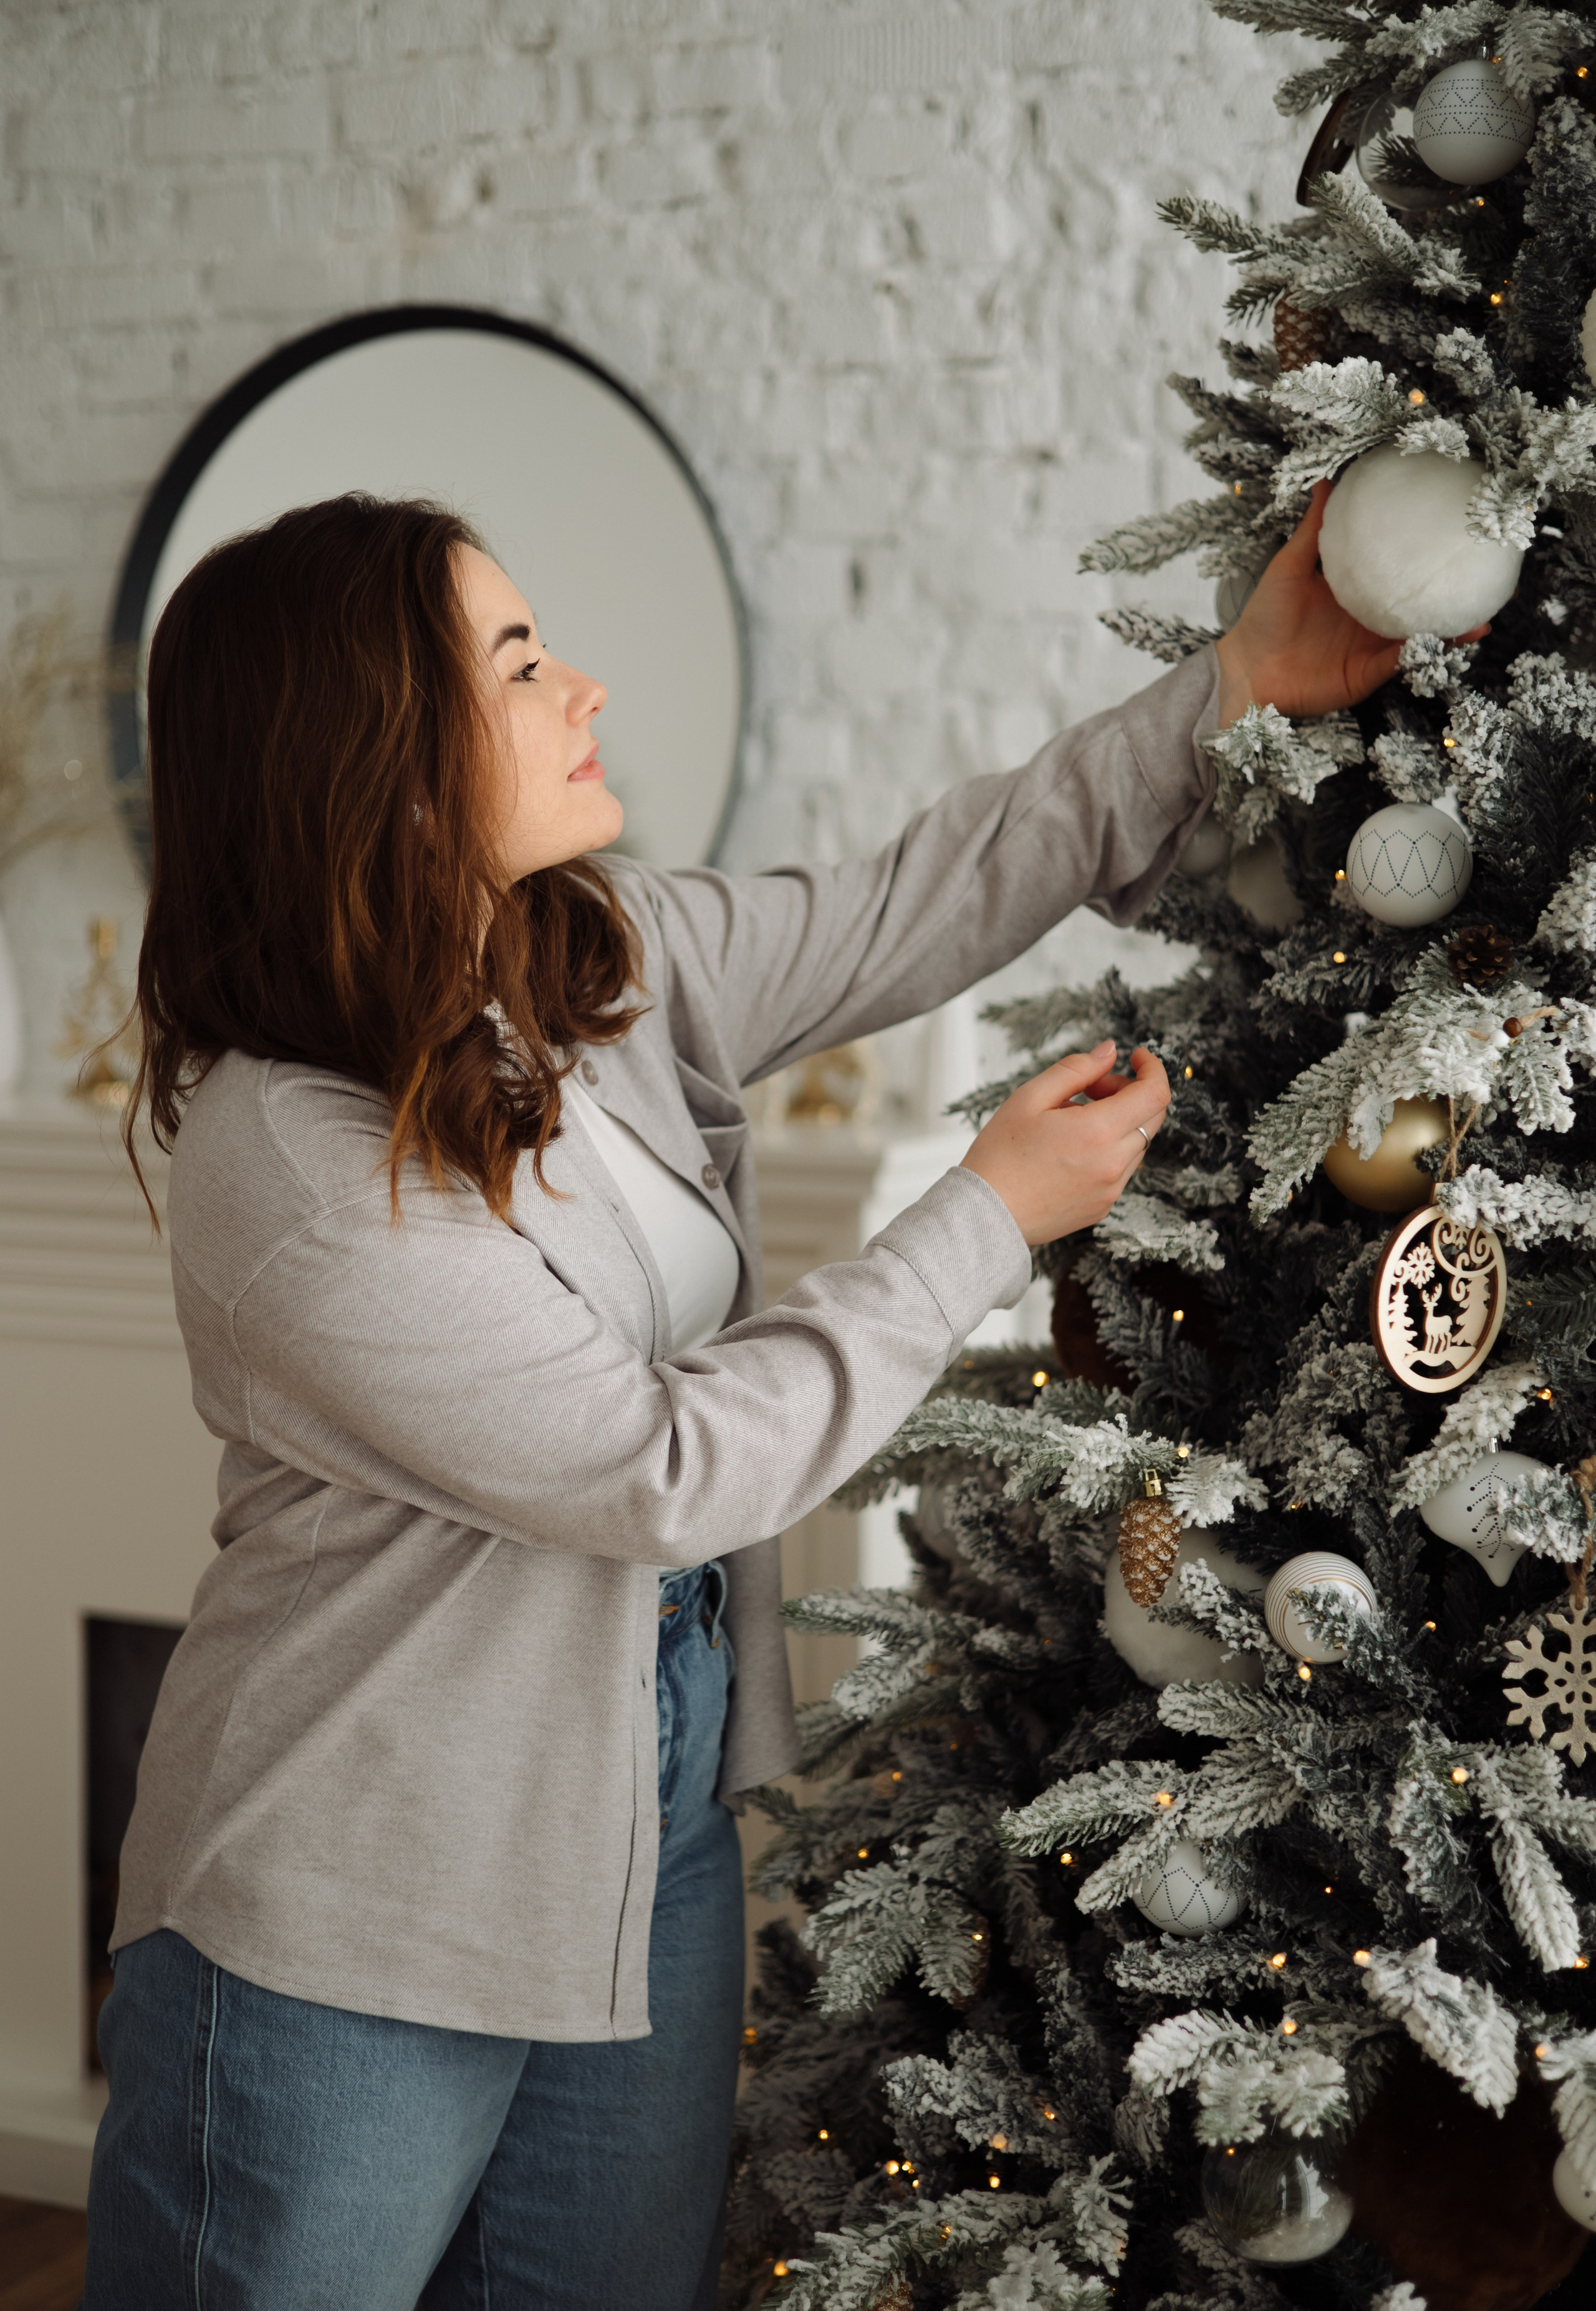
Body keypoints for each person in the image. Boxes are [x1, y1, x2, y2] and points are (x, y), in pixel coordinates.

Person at [81, 478, 1418, 2310]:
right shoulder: (289, 1159)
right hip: (357, 1917)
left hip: (648, 1843)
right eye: (525, 663)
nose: (587, 693)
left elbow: (907, 903)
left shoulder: (583, 969)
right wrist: (984, 1222)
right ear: (383, 758)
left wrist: (1231, 688)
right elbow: (659, 1469)